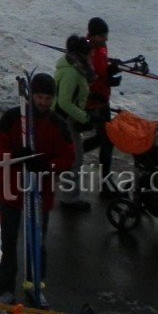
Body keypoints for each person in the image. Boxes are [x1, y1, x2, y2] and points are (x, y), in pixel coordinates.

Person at [0, 73, 76, 307]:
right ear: (32, 96)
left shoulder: (58, 124)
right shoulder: (12, 118)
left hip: (40, 194)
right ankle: (4, 286)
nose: (43, 102)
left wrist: (47, 166)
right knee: (7, 242)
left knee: (36, 244)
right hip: (11, 191)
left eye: (48, 98)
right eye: (39, 97)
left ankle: (35, 285)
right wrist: (16, 158)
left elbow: (67, 156)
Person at [52, 35, 95, 211]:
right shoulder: (71, 72)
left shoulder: (76, 67)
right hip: (65, 121)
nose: (91, 56)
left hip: (68, 119)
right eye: (89, 53)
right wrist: (84, 117)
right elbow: (64, 102)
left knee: (70, 158)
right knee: (74, 159)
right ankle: (70, 199)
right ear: (80, 54)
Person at [84, 17, 115, 190]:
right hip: (95, 104)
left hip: (103, 101)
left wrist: (110, 71)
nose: (106, 39)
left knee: (104, 139)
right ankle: (106, 183)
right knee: (107, 140)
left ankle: (73, 154)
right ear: (93, 36)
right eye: (103, 36)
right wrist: (107, 80)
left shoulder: (100, 48)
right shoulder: (88, 52)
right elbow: (88, 79)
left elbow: (101, 71)